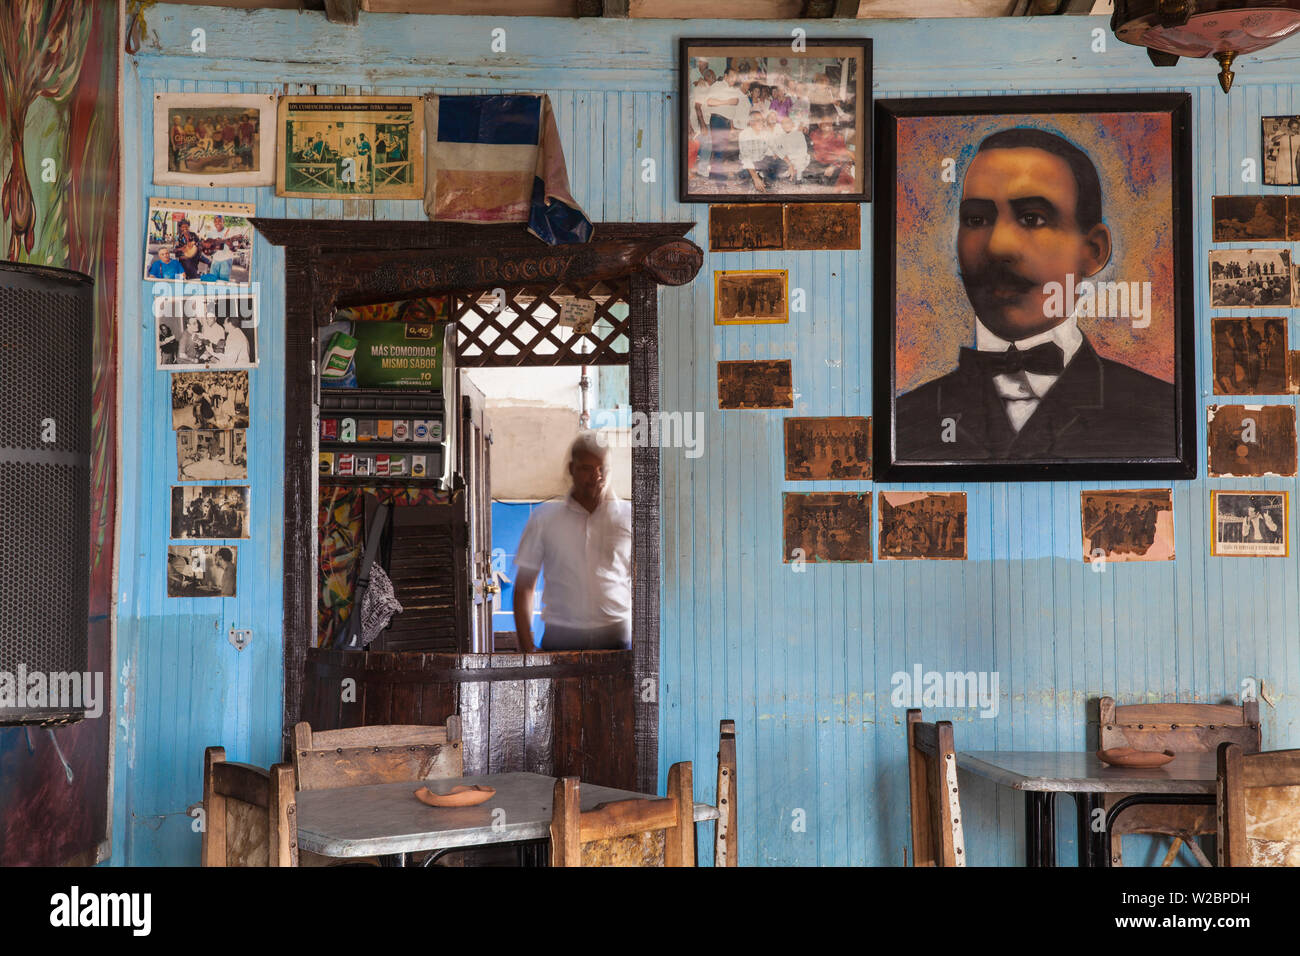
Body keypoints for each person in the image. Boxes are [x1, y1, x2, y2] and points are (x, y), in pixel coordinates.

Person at [894, 127, 1175, 462]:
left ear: (1093, 251)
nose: (998, 246)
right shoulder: (903, 421)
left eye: (1032, 218)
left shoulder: (1160, 414)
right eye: (976, 219)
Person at [512, 432, 632, 652]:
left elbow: (646, 585)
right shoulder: (544, 518)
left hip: (616, 637)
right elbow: (524, 587)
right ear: (571, 469)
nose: (596, 476)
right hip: (561, 637)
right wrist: (527, 648)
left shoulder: (628, 517)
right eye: (587, 468)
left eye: (602, 468)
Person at [202, 214, 237, 282]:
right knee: (212, 281)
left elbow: (234, 249)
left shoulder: (229, 232)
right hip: (215, 260)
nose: (217, 223)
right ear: (214, 223)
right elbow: (206, 245)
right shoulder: (210, 233)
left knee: (223, 282)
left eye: (220, 221)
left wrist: (230, 245)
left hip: (226, 260)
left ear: (223, 222)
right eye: (216, 221)